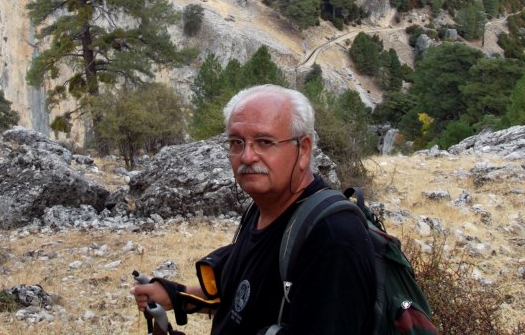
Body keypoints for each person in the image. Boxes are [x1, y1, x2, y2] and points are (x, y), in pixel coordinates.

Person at [131, 84, 377, 334]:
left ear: (303, 149)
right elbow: (242, 299)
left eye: (264, 142)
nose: (247, 156)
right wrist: (177, 295)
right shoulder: (262, 210)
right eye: (237, 142)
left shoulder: (332, 241)